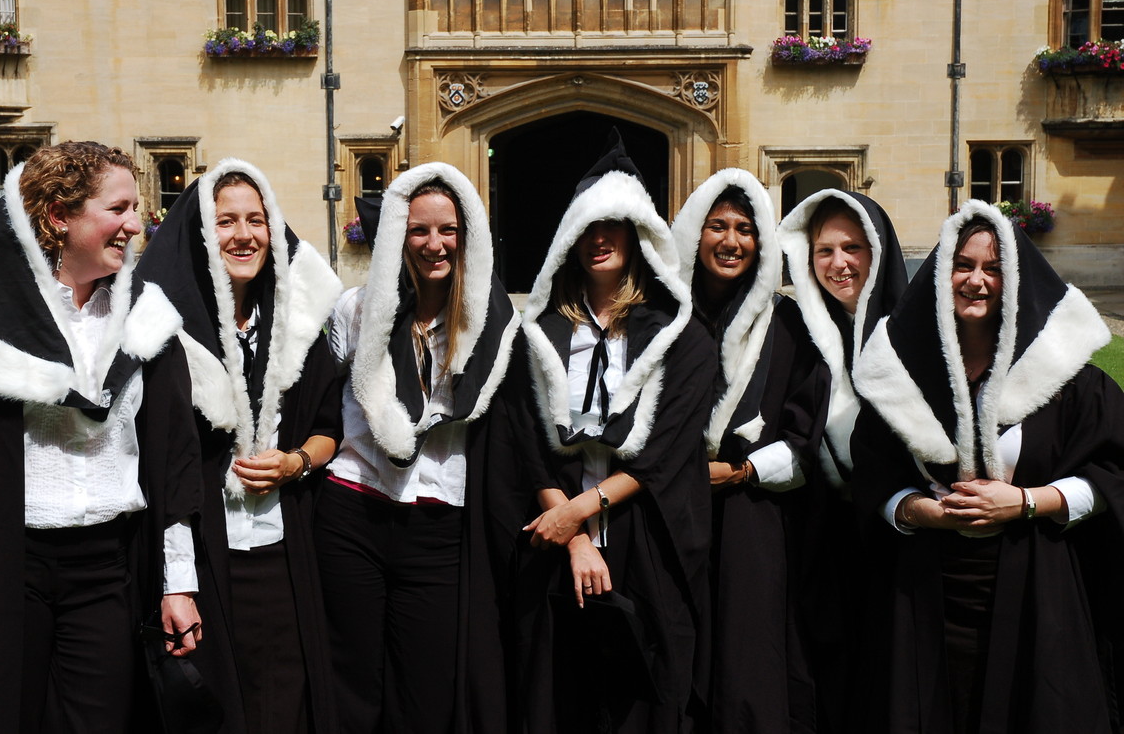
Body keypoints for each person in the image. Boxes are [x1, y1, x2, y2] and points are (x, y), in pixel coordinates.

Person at [0, 141, 201, 733]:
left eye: (138, 208)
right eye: (119, 208)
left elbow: (173, 465)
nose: (136, 224)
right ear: (58, 217)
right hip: (4, 563)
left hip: (109, 565)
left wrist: (179, 585)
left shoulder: (147, 322)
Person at [851, 200, 1124, 734]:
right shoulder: (897, 379)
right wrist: (921, 513)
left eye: (994, 268)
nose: (976, 281)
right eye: (964, 265)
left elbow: (1115, 474)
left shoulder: (1071, 382)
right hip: (924, 592)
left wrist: (1025, 502)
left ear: (1016, 279)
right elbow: (873, 478)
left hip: (1037, 589)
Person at [508, 132, 716, 732]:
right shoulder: (541, 333)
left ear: (638, 234)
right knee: (560, 693)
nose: (599, 239)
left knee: (643, 698)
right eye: (587, 227)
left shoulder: (681, 336)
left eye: (614, 226)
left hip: (644, 535)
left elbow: (667, 449)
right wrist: (570, 534)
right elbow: (526, 441)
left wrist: (583, 513)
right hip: (556, 542)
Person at [135, 158, 343, 733]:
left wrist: (294, 463)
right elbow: (161, 462)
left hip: (285, 547)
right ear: (203, 232)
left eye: (256, 220)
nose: (244, 235)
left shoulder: (295, 328)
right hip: (202, 554)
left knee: (287, 697)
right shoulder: (164, 333)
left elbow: (330, 426)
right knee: (216, 706)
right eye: (226, 221)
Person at [313, 163, 518, 733]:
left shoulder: (491, 323)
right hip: (354, 509)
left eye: (448, 230)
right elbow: (325, 402)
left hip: (438, 523)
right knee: (351, 676)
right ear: (396, 236)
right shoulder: (355, 311)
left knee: (426, 686)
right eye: (419, 230)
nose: (434, 244)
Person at [669, 167, 827, 734]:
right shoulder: (664, 319)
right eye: (717, 226)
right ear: (694, 231)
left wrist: (739, 472)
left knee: (747, 652)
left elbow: (805, 433)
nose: (731, 241)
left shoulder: (786, 324)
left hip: (753, 519)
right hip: (668, 512)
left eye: (744, 228)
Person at [777, 189, 907, 732]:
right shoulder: (801, 333)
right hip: (826, 535)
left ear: (876, 251)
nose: (839, 264)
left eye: (852, 247)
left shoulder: (915, 330)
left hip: (903, 540)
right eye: (824, 251)